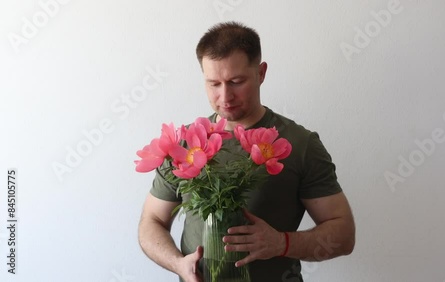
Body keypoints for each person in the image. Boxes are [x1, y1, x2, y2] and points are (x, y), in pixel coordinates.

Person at [138, 21, 355, 282]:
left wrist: (281, 243)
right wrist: (178, 264)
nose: (225, 96)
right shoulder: (183, 144)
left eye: (236, 81)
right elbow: (152, 220)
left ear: (261, 73)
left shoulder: (300, 144)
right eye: (213, 83)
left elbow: (343, 235)